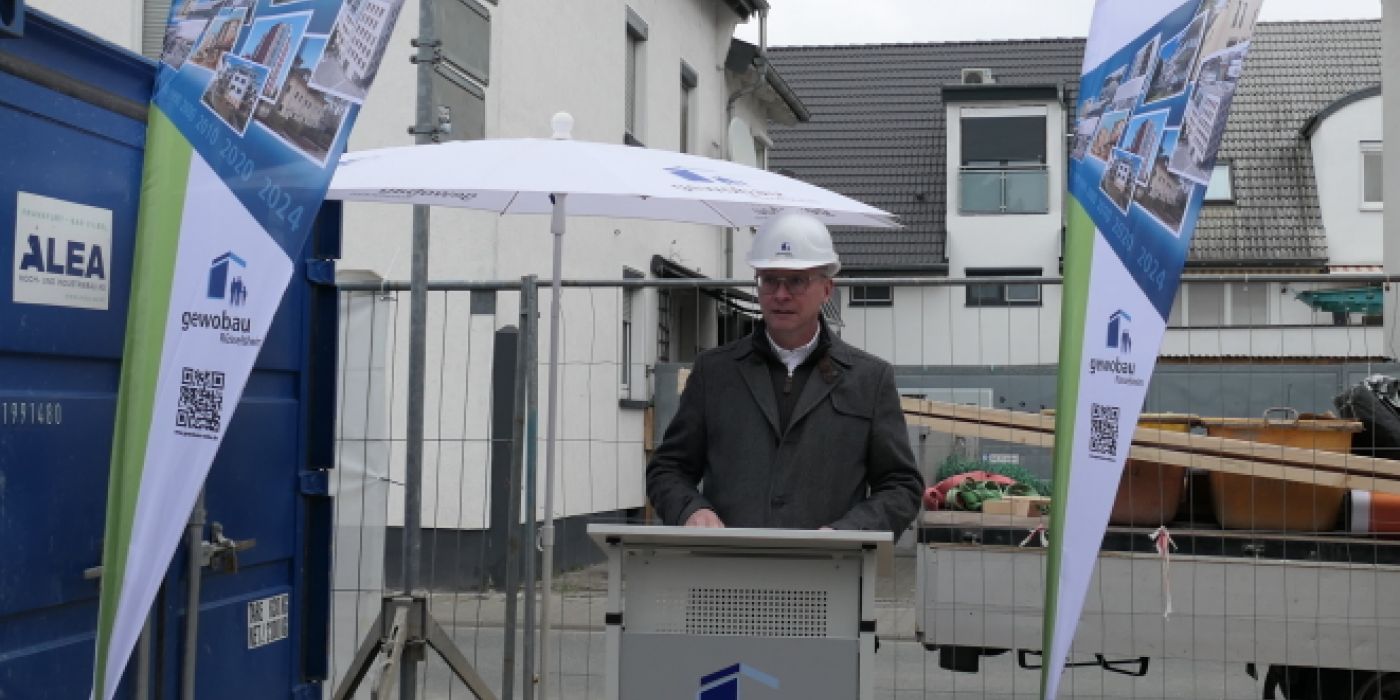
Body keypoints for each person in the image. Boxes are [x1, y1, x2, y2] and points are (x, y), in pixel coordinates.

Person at [646, 211, 924, 535]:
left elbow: (901, 487)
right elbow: (667, 470)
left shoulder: (869, 380)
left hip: (831, 574)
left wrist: (849, 532)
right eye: (769, 279)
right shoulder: (715, 373)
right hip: (726, 573)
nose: (780, 294)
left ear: (827, 289)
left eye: (796, 280)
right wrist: (691, 510)